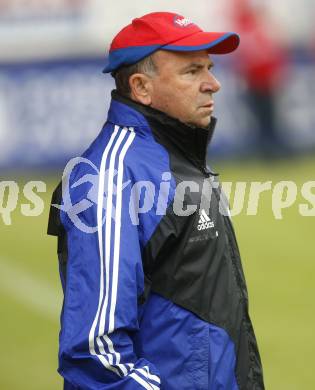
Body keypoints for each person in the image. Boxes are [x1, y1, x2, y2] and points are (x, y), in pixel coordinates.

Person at [48, 12, 265, 390]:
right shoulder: (108, 177)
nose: (213, 84)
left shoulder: (182, 157)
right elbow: (96, 353)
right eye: (192, 71)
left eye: (210, 68)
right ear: (141, 87)